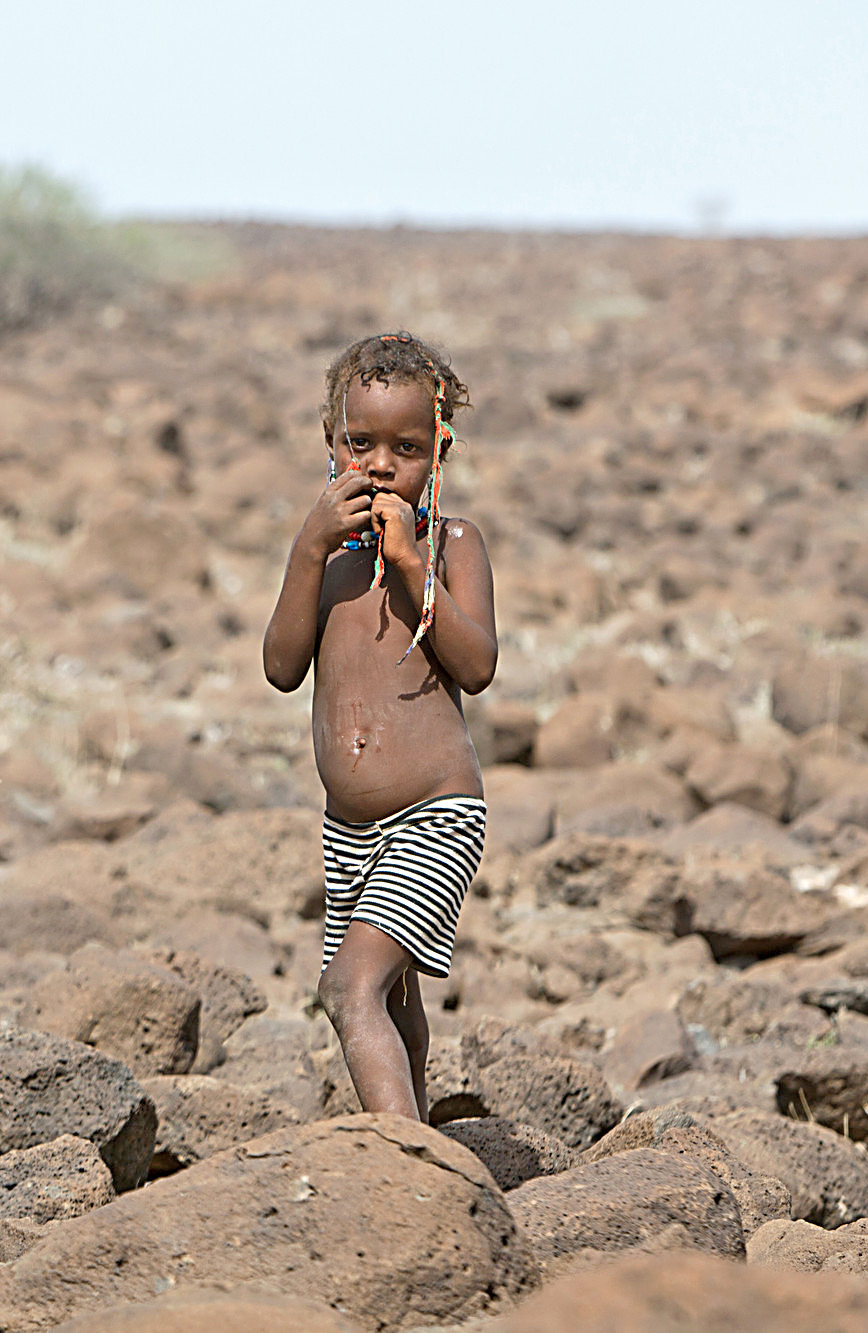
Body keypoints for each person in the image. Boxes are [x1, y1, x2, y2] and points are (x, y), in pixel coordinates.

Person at [261, 332, 496, 1121]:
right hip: (349, 832)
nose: (382, 465)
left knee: (348, 985)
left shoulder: (452, 545)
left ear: (441, 451)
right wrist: (308, 547)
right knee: (393, 998)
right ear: (331, 442)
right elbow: (281, 666)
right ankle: (420, 1132)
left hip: (436, 813)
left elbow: (477, 664)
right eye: (360, 444)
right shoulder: (327, 562)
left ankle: (404, 1158)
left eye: (408, 448)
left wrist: (411, 566)